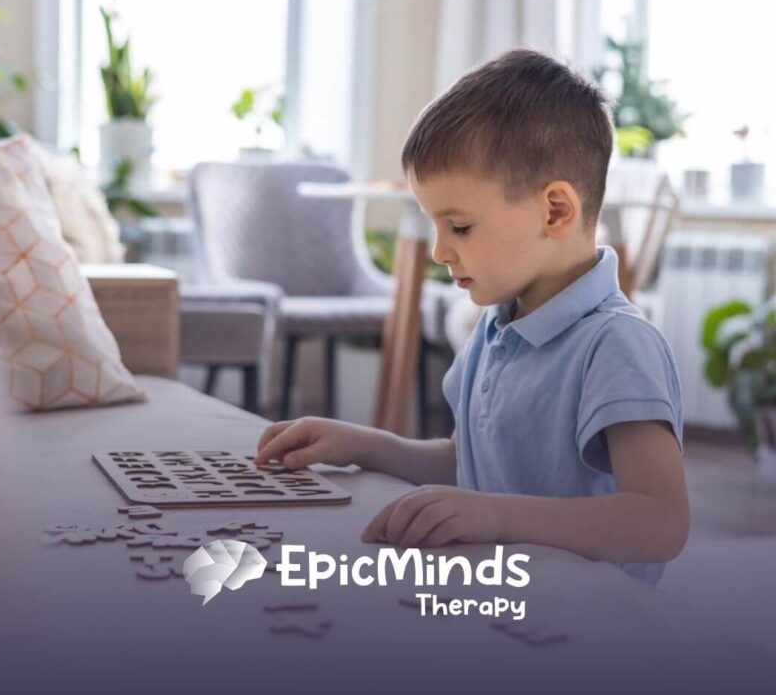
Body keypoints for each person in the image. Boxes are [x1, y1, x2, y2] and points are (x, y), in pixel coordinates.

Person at [255, 49, 688, 584]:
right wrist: (364, 445)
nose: (439, 250)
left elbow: (660, 521)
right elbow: (471, 462)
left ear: (555, 211)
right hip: (503, 599)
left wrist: (497, 516)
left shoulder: (618, 343)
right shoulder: (497, 325)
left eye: (459, 227)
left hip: (592, 623)